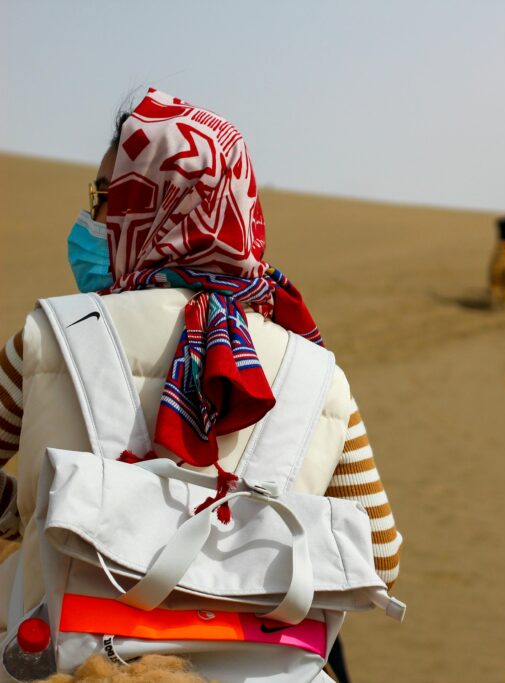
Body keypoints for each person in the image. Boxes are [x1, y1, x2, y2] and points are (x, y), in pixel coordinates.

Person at [0, 89, 401, 678]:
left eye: (107, 196)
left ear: (145, 204)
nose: (94, 218)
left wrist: (25, 513)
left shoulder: (45, 338)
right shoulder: (318, 375)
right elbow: (383, 556)